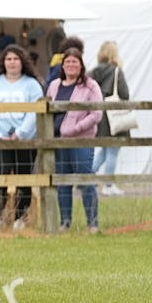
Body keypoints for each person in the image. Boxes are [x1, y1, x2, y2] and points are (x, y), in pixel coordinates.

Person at [0, 44, 44, 231]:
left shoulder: (32, 85)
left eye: (16, 59)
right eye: (8, 59)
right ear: (3, 62)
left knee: (23, 179)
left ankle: (20, 218)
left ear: (22, 62)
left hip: (24, 140)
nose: (12, 63)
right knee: (0, 177)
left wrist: (20, 133)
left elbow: (34, 113)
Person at [45, 48, 104, 232]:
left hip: (81, 141)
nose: (71, 65)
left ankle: (92, 223)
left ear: (81, 65)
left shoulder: (90, 86)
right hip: (58, 141)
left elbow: (96, 114)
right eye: (67, 62)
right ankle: (65, 222)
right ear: (62, 65)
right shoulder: (54, 85)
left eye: (74, 62)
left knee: (85, 180)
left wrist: (76, 129)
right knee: (63, 182)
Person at [90, 41, 131, 196]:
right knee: (113, 151)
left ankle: (87, 178)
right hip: (114, 115)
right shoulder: (116, 71)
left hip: (100, 116)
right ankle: (108, 185)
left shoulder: (93, 72)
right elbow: (124, 93)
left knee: (104, 151)